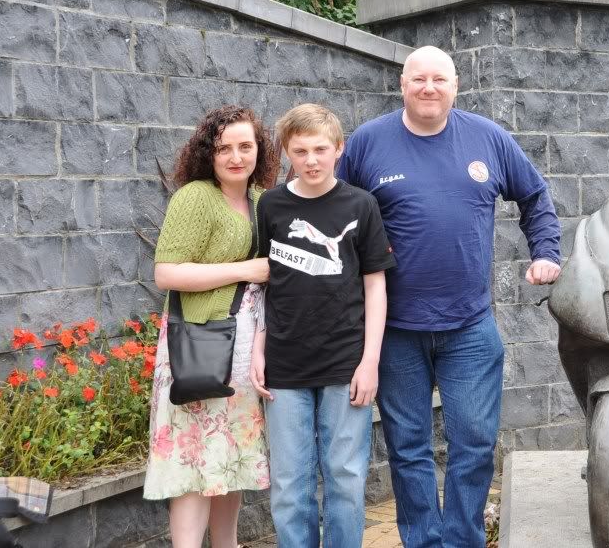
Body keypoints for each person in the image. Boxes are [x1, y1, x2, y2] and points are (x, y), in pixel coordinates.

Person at [337, 45, 562, 548]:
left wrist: (545, 252)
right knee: (408, 448)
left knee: (475, 445)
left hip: (470, 328)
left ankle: (461, 540)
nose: (429, 88)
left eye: (439, 78)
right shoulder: (369, 143)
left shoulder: (488, 138)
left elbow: (535, 197)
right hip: (395, 330)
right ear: (402, 85)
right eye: (418, 79)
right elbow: (335, 211)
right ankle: (422, 541)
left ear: (455, 85)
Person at [250, 104, 396, 548]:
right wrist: (258, 348)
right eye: (300, 151)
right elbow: (263, 282)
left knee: (346, 480)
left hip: (345, 363)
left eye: (320, 149)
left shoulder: (361, 204)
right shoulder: (272, 205)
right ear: (286, 153)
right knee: (290, 485)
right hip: (285, 364)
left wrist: (370, 361)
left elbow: (375, 286)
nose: (311, 160)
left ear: (338, 150)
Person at [144, 105, 279, 548]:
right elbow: (167, 273)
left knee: (231, 457)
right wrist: (244, 269)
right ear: (209, 152)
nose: (236, 156)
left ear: (259, 149)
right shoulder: (196, 197)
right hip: (200, 345)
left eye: (246, 146)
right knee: (192, 461)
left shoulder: (261, 199)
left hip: (242, 351)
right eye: (225, 148)